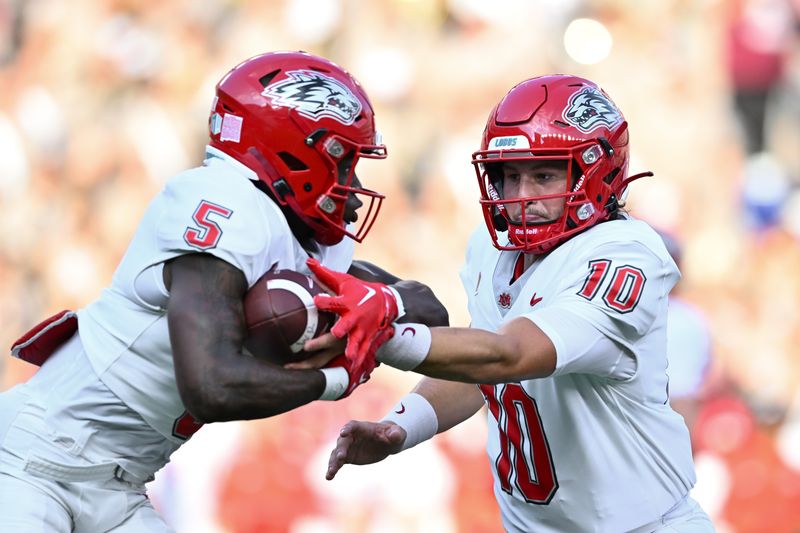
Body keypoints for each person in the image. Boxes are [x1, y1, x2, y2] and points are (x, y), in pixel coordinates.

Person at [0, 51, 447, 532]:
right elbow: (212, 386)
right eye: (343, 162)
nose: (354, 186)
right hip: (32, 461)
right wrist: (340, 379)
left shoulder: (302, 238)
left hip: (120, 486)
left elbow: (430, 310)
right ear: (293, 150)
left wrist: (384, 303)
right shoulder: (222, 205)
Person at [303, 75, 716, 532]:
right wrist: (401, 426)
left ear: (596, 171)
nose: (521, 198)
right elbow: (484, 372)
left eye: (543, 175)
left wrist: (383, 334)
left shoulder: (626, 252)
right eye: (509, 175)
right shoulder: (491, 249)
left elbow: (513, 355)